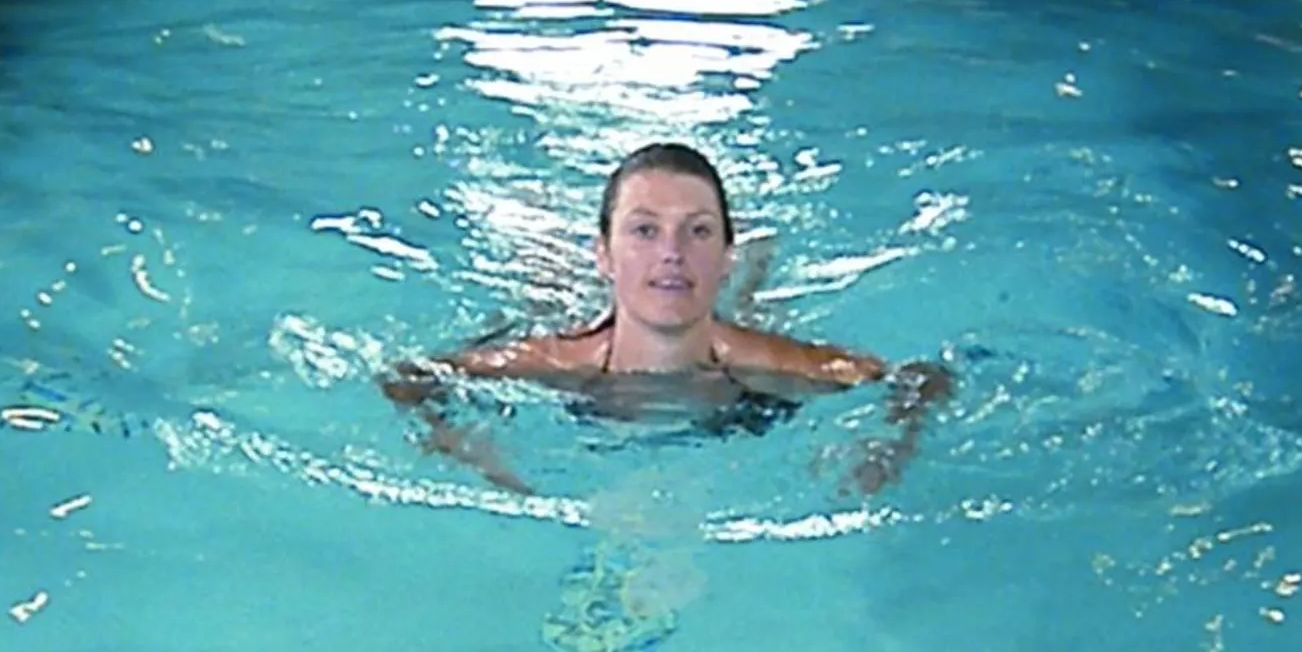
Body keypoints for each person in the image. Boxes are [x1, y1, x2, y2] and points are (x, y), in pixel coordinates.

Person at [383, 142, 951, 494]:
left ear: (725, 255)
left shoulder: (776, 362)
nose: (672, 251)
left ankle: (747, 272)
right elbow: (407, 376)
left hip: (727, 336)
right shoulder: (554, 359)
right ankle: (547, 250)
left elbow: (921, 378)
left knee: (747, 315)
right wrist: (469, 445)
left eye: (698, 231)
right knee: (548, 305)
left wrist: (886, 446)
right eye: (644, 230)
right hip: (594, 322)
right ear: (603, 255)